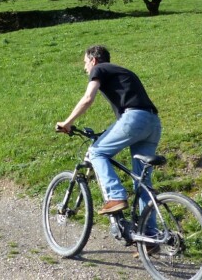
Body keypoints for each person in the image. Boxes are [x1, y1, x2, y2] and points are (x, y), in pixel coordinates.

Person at [56, 45, 162, 217]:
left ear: (93, 60)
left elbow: (88, 98)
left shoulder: (99, 68)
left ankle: (115, 196)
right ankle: (150, 236)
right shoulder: (121, 71)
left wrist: (67, 123)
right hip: (153, 123)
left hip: (133, 118)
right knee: (143, 183)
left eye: (85, 63)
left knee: (96, 152)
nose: (85, 68)